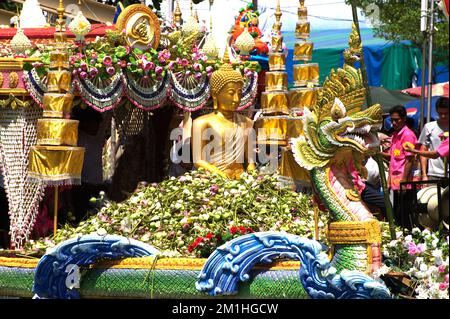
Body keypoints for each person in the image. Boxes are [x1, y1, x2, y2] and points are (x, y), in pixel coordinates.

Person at [192, 48, 256, 179]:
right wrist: (218, 174)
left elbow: (250, 161)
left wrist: (252, 176)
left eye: (239, 93)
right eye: (231, 93)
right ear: (215, 94)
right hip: (214, 181)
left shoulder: (247, 123)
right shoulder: (202, 123)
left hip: (241, 181)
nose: (236, 99)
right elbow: (198, 160)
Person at [381, 105, 418, 227]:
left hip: (404, 183)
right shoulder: (395, 135)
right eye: (392, 120)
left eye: (397, 120)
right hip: (395, 183)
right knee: (397, 214)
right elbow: (393, 159)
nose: (394, 122)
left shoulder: (407, 135)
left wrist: (404, 181)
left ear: (404, 119)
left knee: (405, 215)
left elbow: (410, 160)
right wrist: (377, 153)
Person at [417, 97, 449, 180]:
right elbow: (423, 150)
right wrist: (424, 174)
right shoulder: (429, 127)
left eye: (446, 113)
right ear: (436, 111)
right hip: (434, 174)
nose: (443, 116)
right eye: (440, 113)